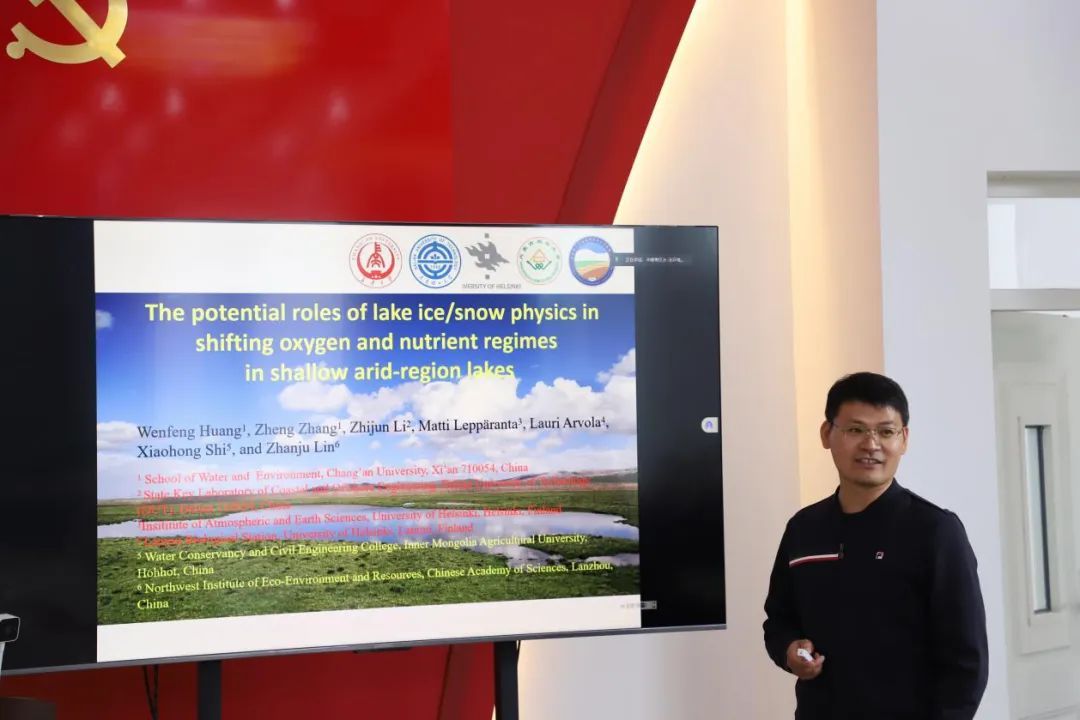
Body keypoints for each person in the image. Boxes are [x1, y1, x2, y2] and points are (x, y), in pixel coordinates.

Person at [763, 371, 988, 719]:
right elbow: (779, 620)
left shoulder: (935, 531)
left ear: (904, 439)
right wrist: (790, 650)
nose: (871, 445)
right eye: (855, 430)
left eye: (886, 432)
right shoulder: (804, 529)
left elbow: (966, 661)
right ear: (826, 433)